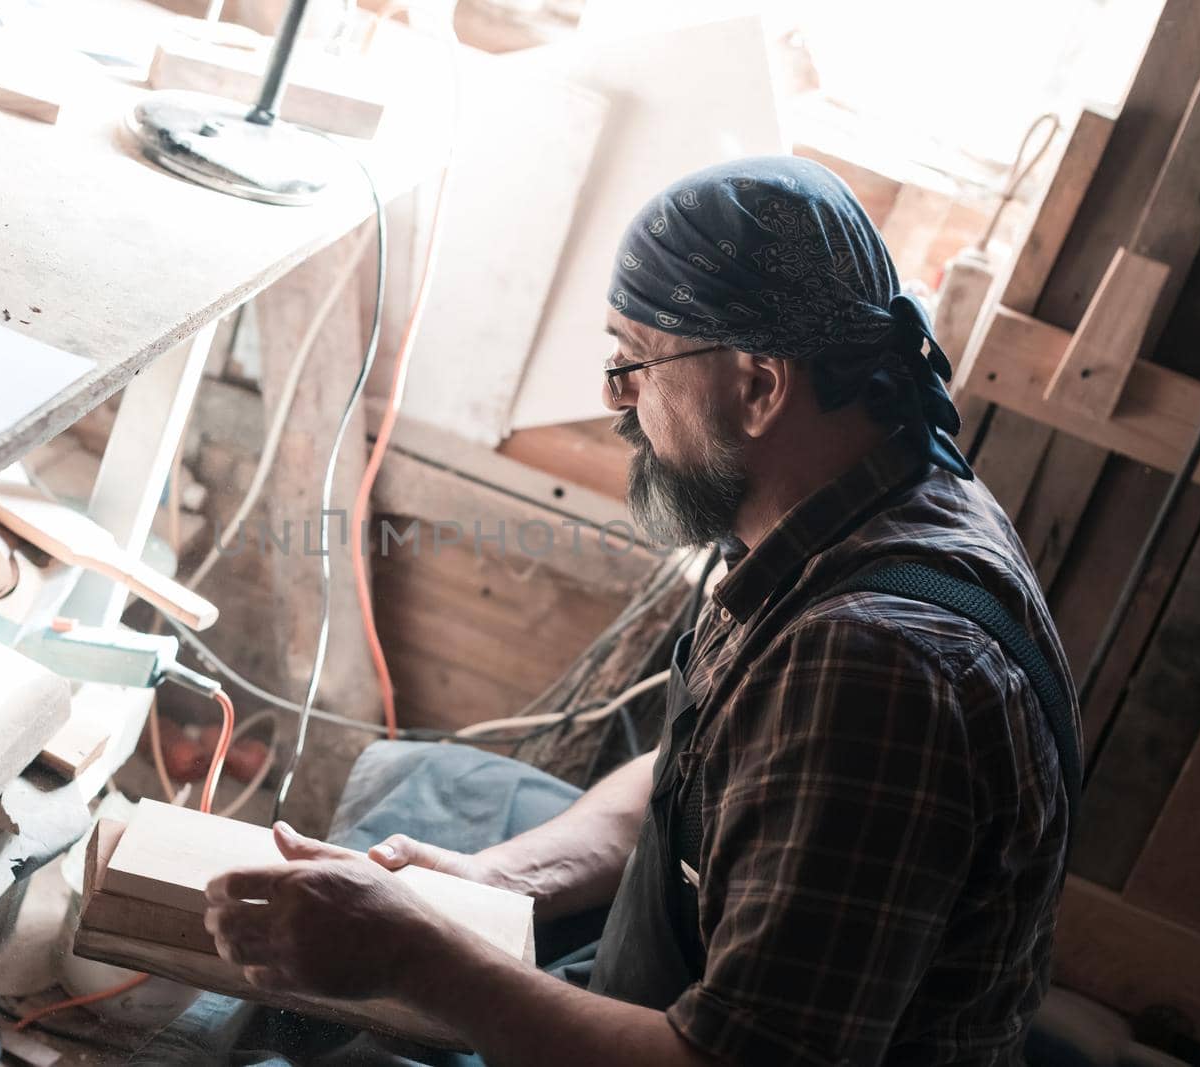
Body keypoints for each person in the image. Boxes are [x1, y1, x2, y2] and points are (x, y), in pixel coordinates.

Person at [198, 156, 1079, 1066]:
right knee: (412, 803)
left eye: (634, 361)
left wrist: (418, 956)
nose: (616, 398)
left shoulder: (872, 667)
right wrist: (488, 885)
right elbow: (705, 774)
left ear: (760, 385)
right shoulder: (862, 491)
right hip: (683, 974)